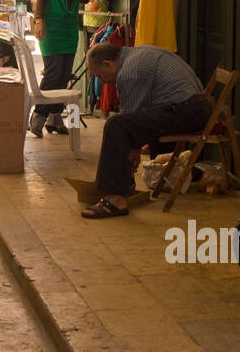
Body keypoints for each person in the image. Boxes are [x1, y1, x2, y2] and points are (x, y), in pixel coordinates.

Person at [78, 42, 210, 219]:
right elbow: (137, 119)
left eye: (99, 76)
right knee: (129, 124)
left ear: (108, 63)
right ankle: (178, 174)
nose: (102, 82)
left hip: (188, 112)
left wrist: (133, 149)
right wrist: (133, 149)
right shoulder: (136, 54)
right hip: (193, 108)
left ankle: (115, 199)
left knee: (115, 125)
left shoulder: (129, 72)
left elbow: (128, 121)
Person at [29, 0, 91, 137]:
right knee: (53, 73)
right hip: (52, 28)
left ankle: (55, 120)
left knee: (64, 75)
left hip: (69, 29)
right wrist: (39, 21)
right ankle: (37, 118)